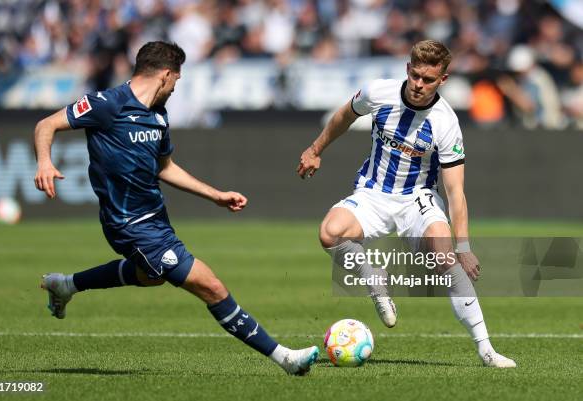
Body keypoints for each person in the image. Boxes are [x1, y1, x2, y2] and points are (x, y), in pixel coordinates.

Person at [34, 41, 318, 375]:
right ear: (166, 75)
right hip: (128, 223)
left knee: (150, 277)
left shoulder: (158, 115)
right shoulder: (107, 104)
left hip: (156, 219)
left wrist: (215, 195)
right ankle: (285, 358)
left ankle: (65, 285)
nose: (175, 87)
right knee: (210, 286)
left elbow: (164, 167)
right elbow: (46, 125)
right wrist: (44, 162)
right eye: (176, 81)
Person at [297, 39, 516, 368]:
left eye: (428, 80)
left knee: (446, 258)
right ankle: (375, 279)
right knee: (330, 232)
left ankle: (486, 350)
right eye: (415, 75)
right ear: (407, 69)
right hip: (373, 192)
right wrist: (315, 150)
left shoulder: (445, 122)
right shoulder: (378, 93)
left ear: (442, 80)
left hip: (418, 200)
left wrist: (465, 244)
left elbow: (455, 190)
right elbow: (344, 115)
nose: (418, 84)